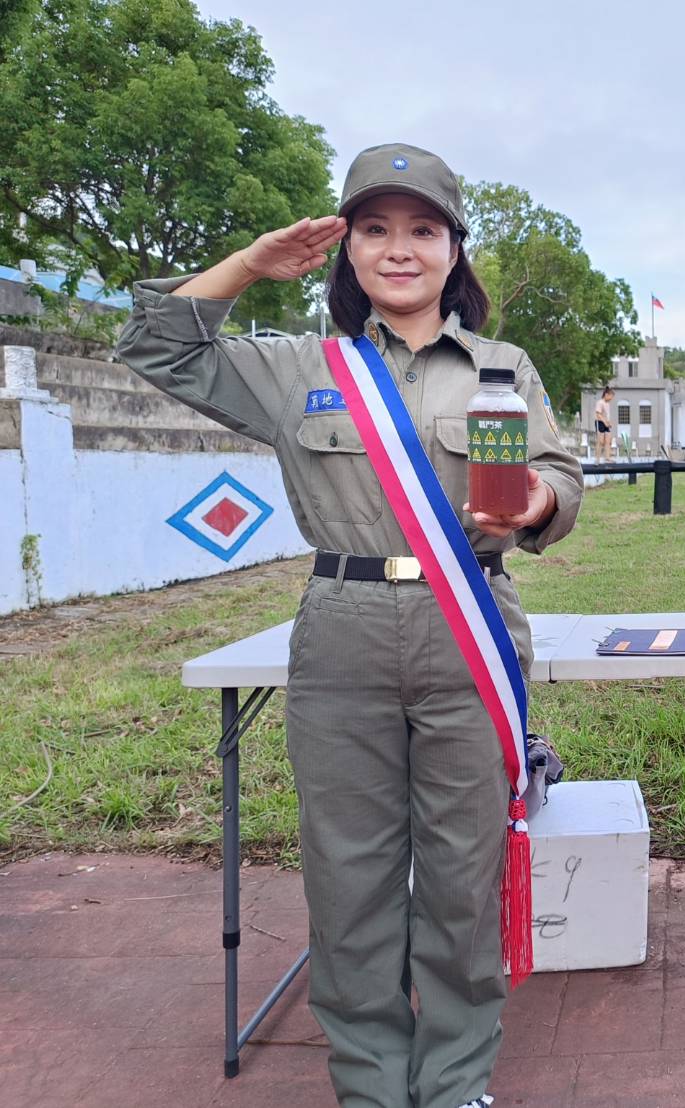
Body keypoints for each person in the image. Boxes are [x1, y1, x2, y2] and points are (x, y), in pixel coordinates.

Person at [116, 143, 583, 1108]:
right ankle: (371, 1084)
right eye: (375, 228)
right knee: (350, 876)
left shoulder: (504, 367)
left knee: (462, 875)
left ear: (455, 249)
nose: (399, 249)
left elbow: (561, 481)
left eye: (423, 229)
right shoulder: (297, 370)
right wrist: (248, 264)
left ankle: (454, 1084)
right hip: (343, 629)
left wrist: (534, 500)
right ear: (346, 248)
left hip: (471, 625)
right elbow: (159, 346)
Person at [594, 385, 614, 460]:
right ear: (606, 395)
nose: (611, 398)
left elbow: (607, 415)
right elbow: (598, 414)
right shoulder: (600, 403)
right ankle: (597, 458)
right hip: (600, 423)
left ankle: (607, 457)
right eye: (611, 396)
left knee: (608, 441)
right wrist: (604, 422)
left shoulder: (607, 404)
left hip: (606, 423)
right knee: (600, 441)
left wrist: (609, 423)